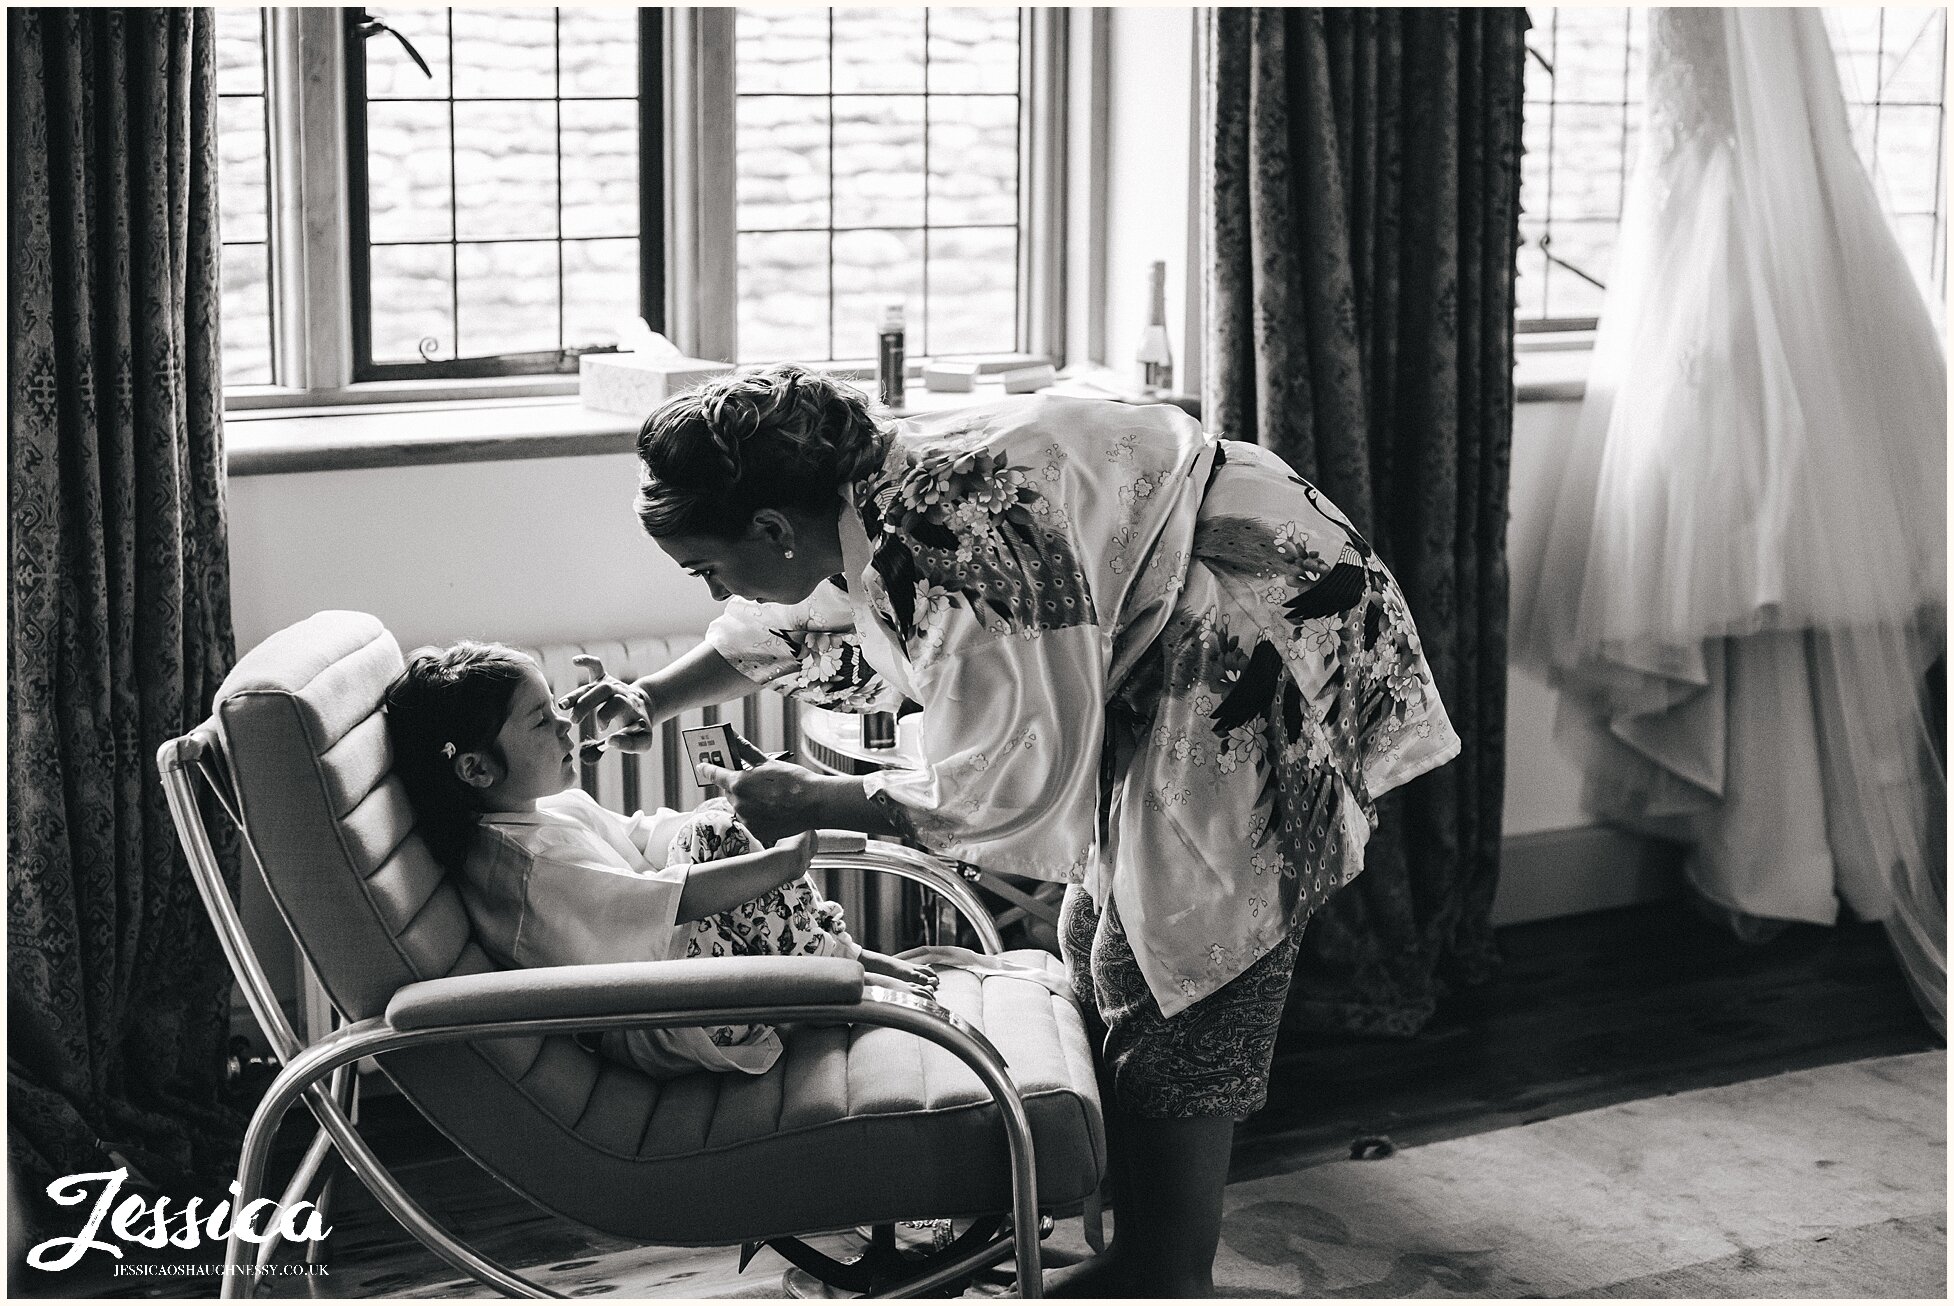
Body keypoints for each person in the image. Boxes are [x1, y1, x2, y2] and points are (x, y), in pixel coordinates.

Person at [564, 364, 1460, 1296]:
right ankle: (1133, 1231)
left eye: (706, 568)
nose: (713, 590)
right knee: (1092, 933)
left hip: (1249, 629)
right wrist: (647, 696)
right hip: (1186, 617)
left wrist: (816, 803)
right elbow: (801, 624)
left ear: (772, 530)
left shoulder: (959, 544)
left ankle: (1165, 1270)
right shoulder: (867, 500)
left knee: (1186, 964)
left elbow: (1009, 782)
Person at [1509, 9, 1945, 1031]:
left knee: (1750, 577)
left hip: (1718, 264)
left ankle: (1778, 859)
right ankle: (1803, 855)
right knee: (1775, 591)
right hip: (1779, 257)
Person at [382, 639, 934, 1078]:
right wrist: (782, 858)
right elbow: (669, 897)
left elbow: (647, 838)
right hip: (671, 1016)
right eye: (538, 721)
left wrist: (746, 815)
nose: (565, 725)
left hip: (686, 980)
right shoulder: (527, 868)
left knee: (721, 824)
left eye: (556, 707)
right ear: (477, 770)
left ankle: (845, 959)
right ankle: (845, 968)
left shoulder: (548, 811)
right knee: (719, 829)